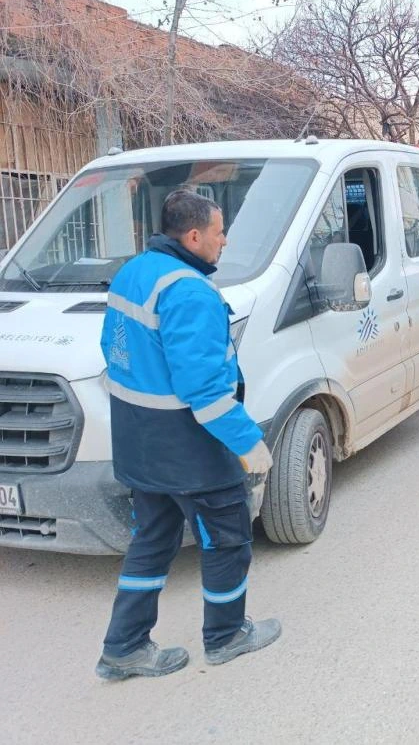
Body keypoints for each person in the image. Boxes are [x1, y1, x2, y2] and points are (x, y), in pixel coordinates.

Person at [96, 189, 280, 681]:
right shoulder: (191, 291)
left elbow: (112, 349)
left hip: (138, 438)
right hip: (187, 446)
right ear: (194, 236)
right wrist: (248, 444)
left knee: (152, 538)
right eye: (220, 232)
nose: (225, 241)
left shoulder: (134, 272)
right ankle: (226, 636)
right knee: (228, 538)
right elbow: (205, 391)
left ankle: (124, 648)